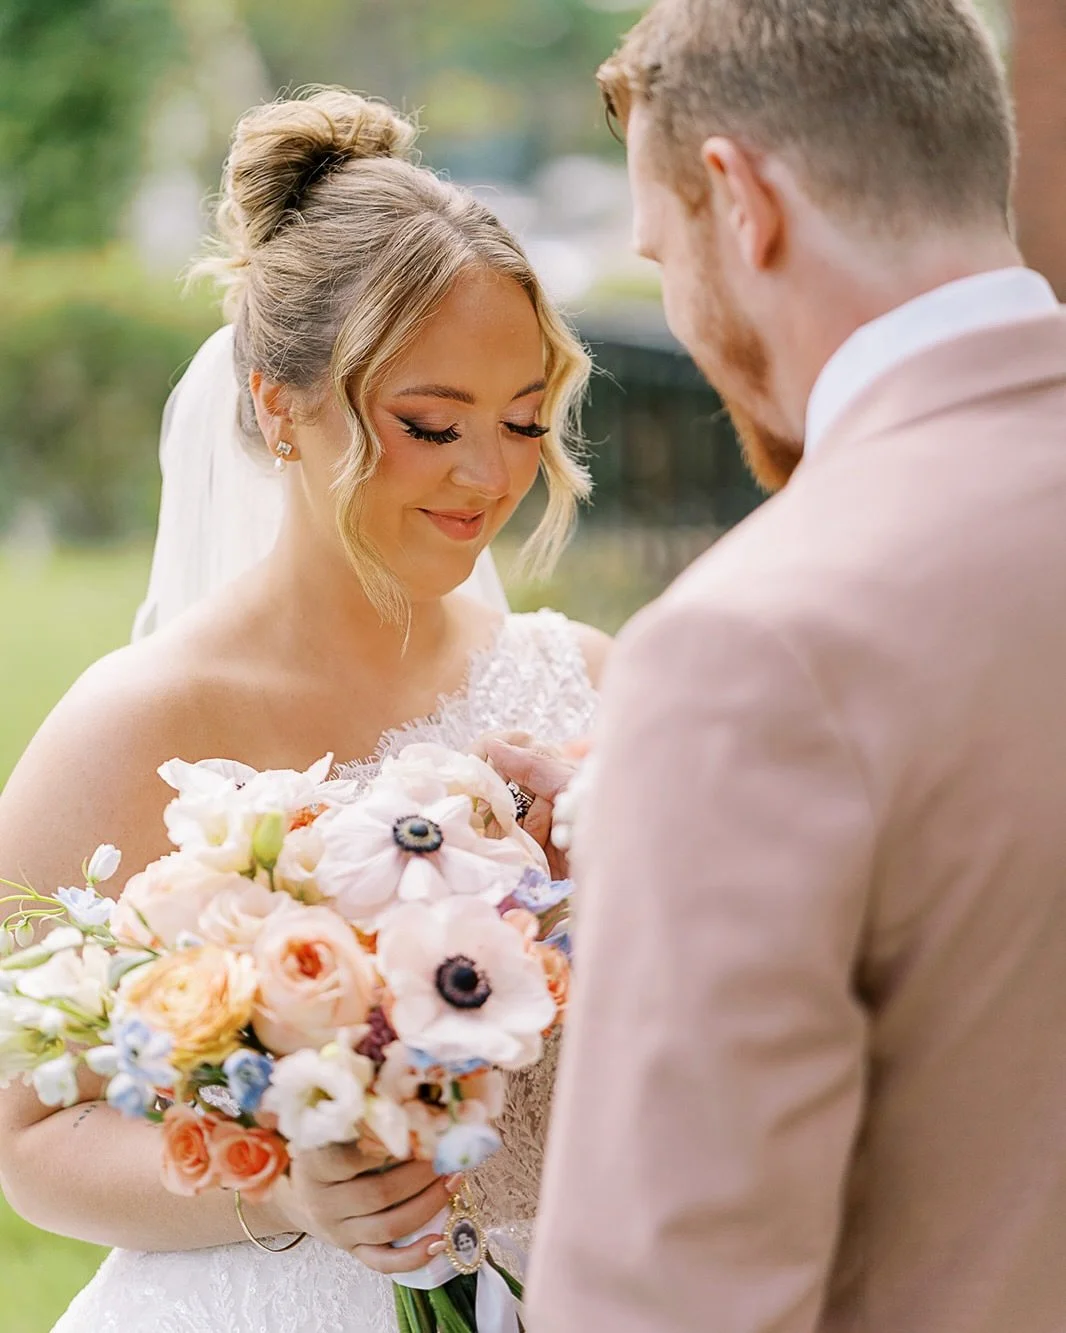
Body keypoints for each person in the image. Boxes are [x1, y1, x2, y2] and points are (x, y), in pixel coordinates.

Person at [0, 88, 608, 1333]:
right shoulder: (138, 722)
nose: (490, 475)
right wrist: (288, 1185)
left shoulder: (590, 685)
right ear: (281, 404)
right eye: (431, 424)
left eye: (525, 421)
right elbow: (21, 1131)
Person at [508, 2, 1066, 1331]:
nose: (684, 319)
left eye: (659, 256)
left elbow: (667, 1291)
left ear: (736, 200)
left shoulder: (750, 646)